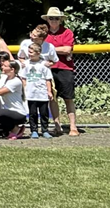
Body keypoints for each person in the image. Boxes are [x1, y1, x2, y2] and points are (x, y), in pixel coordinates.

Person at [43, 7, 78, 136]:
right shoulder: (44, 33)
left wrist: (49, 49)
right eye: (51, 18)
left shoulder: (67, 32)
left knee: (68, 98)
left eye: (56, 18)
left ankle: (73, 127)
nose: (53, 20)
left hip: (65, 67)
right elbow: (39, 48)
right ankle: (57, 126)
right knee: (52, 98)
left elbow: (67, 49)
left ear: (60, 20)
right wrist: (59, 49)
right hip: (48, 69)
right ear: (47, 19)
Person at [0, 59, 28, 139]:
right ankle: (10, 129)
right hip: (7, 112)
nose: (2, 67)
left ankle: (16, 129)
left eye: (5, 66)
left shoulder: (16, 81)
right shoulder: (5, 79)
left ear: (12, 69)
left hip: (18, 113)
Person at [21, 43, 54, 139]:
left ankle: (45, 130)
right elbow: (24, 78)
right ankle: (34, 130)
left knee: (44, 113)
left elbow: (48, 79)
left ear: (38, 53)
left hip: (42, 93)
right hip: (31, 94)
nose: (29, 54)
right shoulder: (26, 64)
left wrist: (49, 91)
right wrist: (24, 89)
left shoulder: (44, 64)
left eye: (31, 52)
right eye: (29, 52)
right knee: (33, 113)